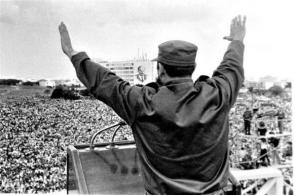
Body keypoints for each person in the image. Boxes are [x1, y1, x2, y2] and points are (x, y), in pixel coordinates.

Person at [59, 15, 246, 195]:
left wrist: (73, 54)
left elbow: (106, 83)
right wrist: (237, 41)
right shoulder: (218, 95)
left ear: (161, 68)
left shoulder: (142, 103)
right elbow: (231, 67)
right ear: (193, 67)